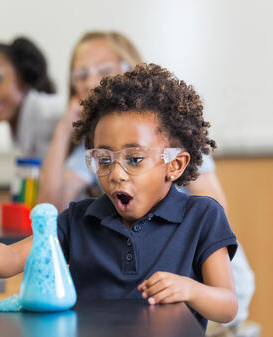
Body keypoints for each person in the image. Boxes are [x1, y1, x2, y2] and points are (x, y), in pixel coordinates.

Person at [0, 64, 239, 328]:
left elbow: (227, 306)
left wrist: (190, 289)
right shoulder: (78, 219)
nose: (116, 174)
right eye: (103, 159)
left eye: (134, 159)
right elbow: (10, 260)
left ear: (175, 165)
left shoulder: (202, 216)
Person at [38, 31, 226, 212]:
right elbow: (51, 211)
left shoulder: (172, 129)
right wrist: (63, 130)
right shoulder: (97, 142)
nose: (89, 83)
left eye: (103, 71)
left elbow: (214, 213)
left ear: (129, 71)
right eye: (80, 76)